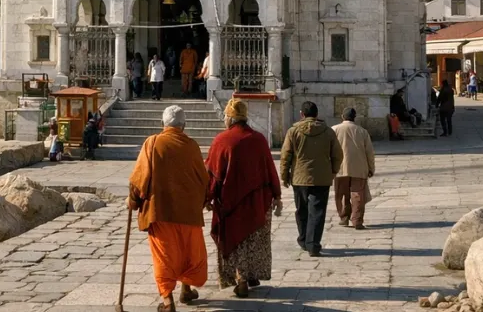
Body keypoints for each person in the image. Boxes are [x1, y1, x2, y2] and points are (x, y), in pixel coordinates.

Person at [128, 105, 210, 311]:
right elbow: (203, 178)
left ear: (162, 124)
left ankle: (168, 301)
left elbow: (139, 178)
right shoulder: (192, 145)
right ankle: (186, 288)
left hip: (161, 210)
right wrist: (203, 200)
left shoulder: (153, 143)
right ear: (184, 126)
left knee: (165, 255)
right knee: (187, 252)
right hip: (189, 211)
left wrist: (133, 200)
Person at [205, 98, 282, 299]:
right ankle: (251, 274)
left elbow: (212, 174)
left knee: (236, 240)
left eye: (225, 117)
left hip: (230, 204)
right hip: (258, 201)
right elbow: (270, 169)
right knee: (253, 239)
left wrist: (207, 197)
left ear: (230, 118)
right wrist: (277, 195)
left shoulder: (222, 140)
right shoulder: (258, 139)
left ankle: (241, 280)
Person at [280, 101, 342, 257]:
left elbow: (285, 156)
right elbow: (337, 155)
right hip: (321, 178)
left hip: (299, 178)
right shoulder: (328, 132)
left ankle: (303, 240)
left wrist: (284, 176)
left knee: (302, 210)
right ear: (317, 114)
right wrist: (333, 171)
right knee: (317, 211)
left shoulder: (293, 131)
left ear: (302, 114)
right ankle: (313, 244)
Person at [332, 108, 375, 230]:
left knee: (341, 194)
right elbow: (369, 152)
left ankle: (344, 218)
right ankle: (357, 220)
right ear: (354, 117)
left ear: (342, 116)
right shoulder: (362, 131)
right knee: (357, 195)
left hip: (339, 167)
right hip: (359, 167)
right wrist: (371, 168)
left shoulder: (334, 130)